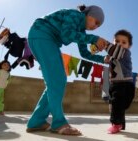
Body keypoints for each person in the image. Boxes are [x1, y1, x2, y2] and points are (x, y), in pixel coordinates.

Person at [26, 5, 108, 135]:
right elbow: (66, 34)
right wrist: (94, 39)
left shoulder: (81, 30)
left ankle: (37, 121)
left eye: (99, 26)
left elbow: (84, 54)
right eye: (96, 22)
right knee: (58, 79)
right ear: (88, 14)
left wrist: (104, 60)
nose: (96, 26)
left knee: (55, 81)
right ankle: (59, 123)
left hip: (44, 38)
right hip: (42, 34)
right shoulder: (75, 15)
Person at [106, 29, 135, 134]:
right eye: (117, 41)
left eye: (124, 42)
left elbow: (114, 52)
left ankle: (116, 124)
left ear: (129, 46)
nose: (120, 44)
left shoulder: (125, 52)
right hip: (115, 83)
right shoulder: (115, 54)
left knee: (116, 104)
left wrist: (104, 44)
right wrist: (107, 58)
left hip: (124, 84)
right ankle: (120, 124)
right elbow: (112, 57)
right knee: (117, 105)